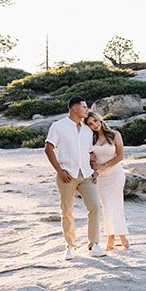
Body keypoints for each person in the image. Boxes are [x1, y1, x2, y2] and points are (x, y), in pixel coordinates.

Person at [44, 96, 106, 258]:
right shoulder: (58, 126)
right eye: (84, 107)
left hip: (86, 175)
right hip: (67, 175)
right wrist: (59, 170)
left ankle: (94, 245)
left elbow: (90, 152)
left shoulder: (87, 130)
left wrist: (95, 169)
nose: (87, 110)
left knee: (95, 206)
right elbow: (49, 148)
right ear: (74, 108)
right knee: (67, 211)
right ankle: (70, 246)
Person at [90, 113, 129, 250]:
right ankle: (111, 236)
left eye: (95, 120)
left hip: (115, 175)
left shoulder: (114, 134)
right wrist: (94, 164)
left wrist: (104, 166)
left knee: (117, 205)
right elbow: (88, 157)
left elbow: (120, 156)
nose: (94, 124)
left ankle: (121, 235)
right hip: (100, 178)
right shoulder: (90, 138)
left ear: (99, 119)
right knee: (106, 206)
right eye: (90, 123)